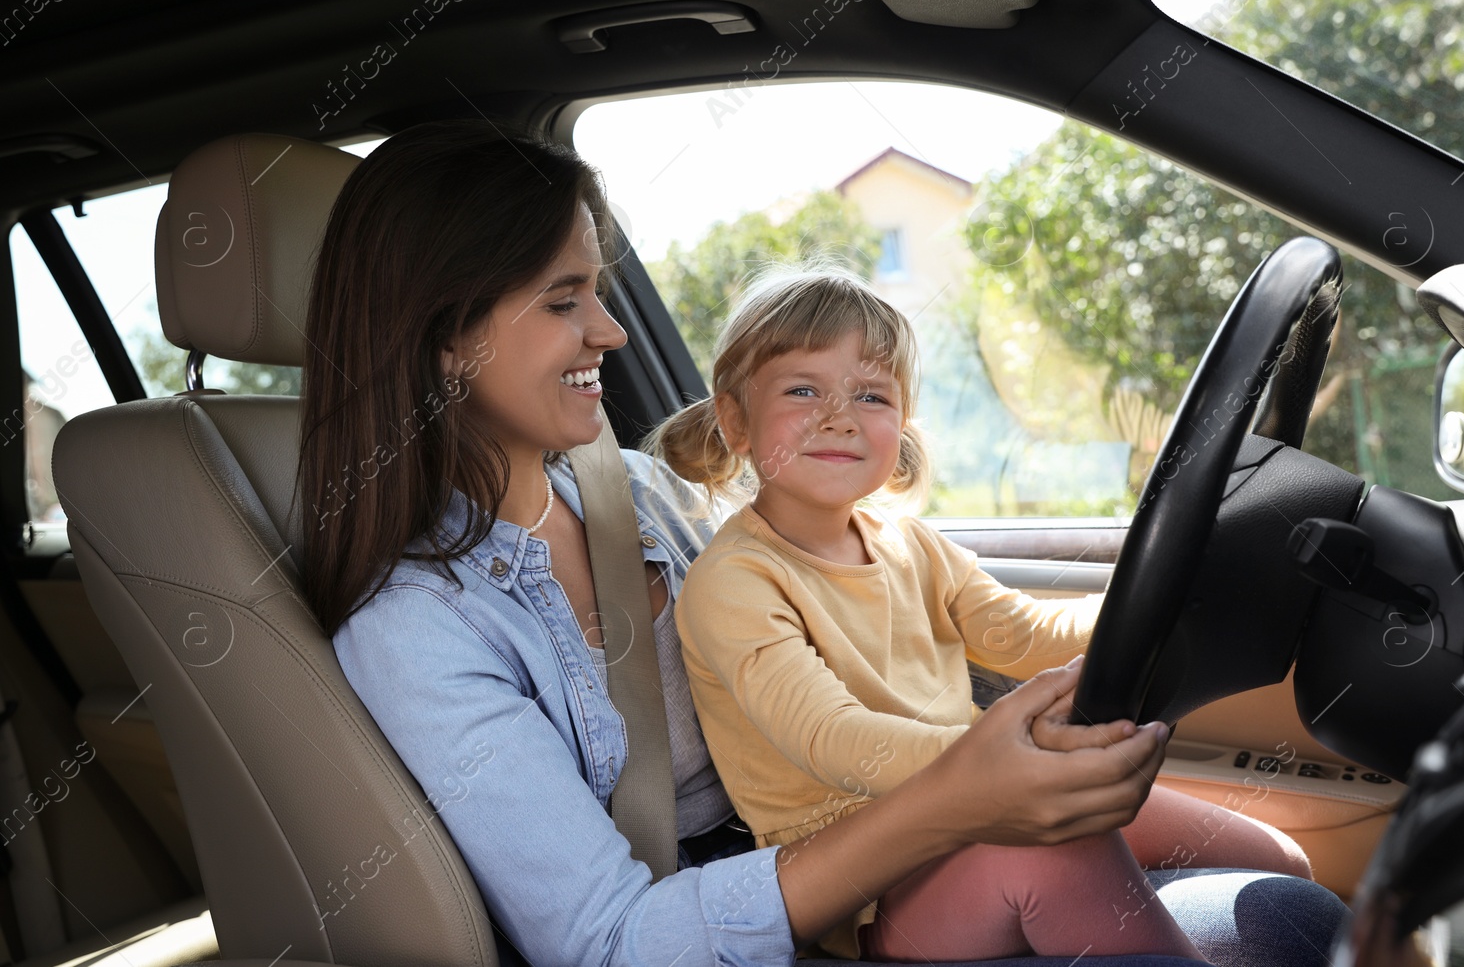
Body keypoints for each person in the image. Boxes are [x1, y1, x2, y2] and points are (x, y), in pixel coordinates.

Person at [298, 117, 1349, 967]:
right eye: (564, 299)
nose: (610, 334)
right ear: (445, 335)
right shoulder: (417, 626)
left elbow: (972, 625)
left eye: (602, 294)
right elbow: (616, 939)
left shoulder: (649, 493)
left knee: (1283, 873)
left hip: (891, 833)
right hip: (768, 899)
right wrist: (960, 791)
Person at [648, 264, 1317, 961]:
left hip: (984, 805)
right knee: (1058, 840)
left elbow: (1025, 633)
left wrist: (1155, 598)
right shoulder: (736, 580)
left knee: (1278, 858)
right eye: (803, 389)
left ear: (901, 423)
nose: (838, 414)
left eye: (871, 393)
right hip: (875, 885)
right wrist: (1000, 768)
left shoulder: (910, 544)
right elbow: (837, 741)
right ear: (735, 418)